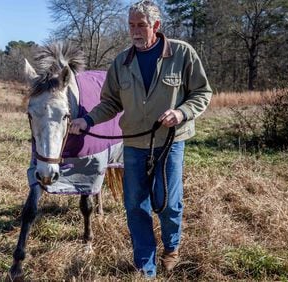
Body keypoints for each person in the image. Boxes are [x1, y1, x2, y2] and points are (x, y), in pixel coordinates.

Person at [69, 0, 212, 278]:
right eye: (131, 25)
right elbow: (109, 103)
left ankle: (171, 248)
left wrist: (182, 112)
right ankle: (145, 265)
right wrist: (86, 120)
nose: (135, 31)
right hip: (133, 144)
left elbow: (202, 93)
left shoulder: (182, 53)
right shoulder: (121, 62)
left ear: (156, 26)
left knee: (167, 201)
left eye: (141, 25)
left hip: (170, 142)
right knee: (135, 205)